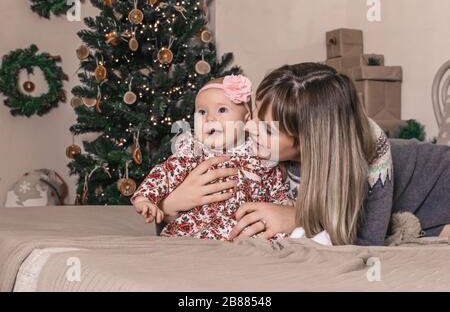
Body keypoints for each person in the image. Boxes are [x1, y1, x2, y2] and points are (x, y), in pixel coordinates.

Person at [160, 63, 450, 246]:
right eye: (256, 116)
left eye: (270, 130)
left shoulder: (370, 148)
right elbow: (198, 207)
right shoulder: (255, 141)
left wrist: (299, 217)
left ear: (309, 144)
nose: (250, 128)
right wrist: (172, 204)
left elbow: (364, 242)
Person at [131, 75, 293, 241]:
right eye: (202, 112)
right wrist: (145, 198)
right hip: (200, 226)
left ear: (246, 120)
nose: (209, 118)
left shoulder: (259, 153)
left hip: (244, 226)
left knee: (278, 236)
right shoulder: (194, 151)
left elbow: (273, 184)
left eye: (222, 110)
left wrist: (283, 202)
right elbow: (164, 173)